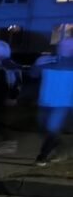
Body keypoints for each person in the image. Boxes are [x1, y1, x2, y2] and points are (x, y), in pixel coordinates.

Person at [33, 37, 73, 166]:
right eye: (62, 45)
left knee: (52, 128)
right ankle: (59, 147)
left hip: (63, 104)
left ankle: (42, 156)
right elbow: (32, 75)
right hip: (44, 102)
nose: (63, 48)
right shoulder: (47, 60)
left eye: (67, 46)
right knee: (42, 129)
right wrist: (36, 64)